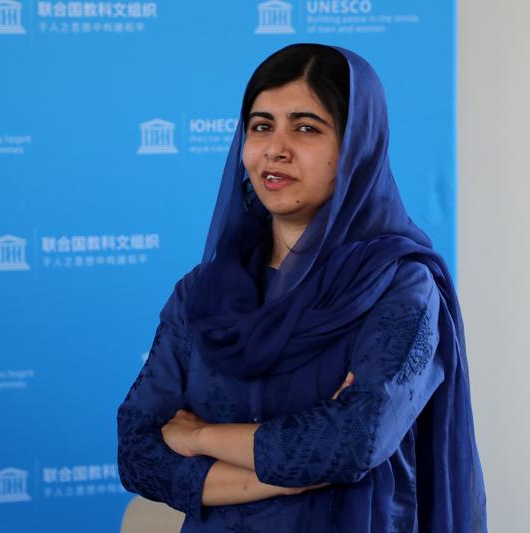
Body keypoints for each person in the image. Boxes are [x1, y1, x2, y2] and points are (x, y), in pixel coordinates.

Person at [117, 43, 487, 532]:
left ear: (358, 146)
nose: (276, 148)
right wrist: (287, 474)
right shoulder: (202, 293)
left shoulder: (397, 285)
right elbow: (138, 453)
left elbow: (356, 441)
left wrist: (201, 435)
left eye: (307, 127)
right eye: (261, 126)